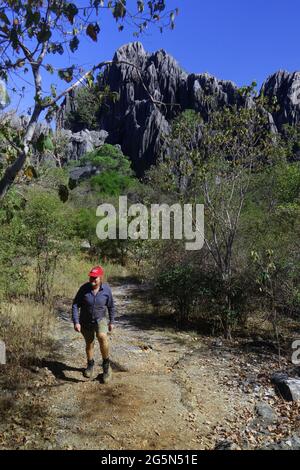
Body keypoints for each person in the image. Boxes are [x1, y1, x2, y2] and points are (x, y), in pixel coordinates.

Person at [72, 265, 115, 383]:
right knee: (89, 344)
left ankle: (106, 367)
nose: (93, 279)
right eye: (91, 277)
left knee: (102, 337)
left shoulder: (106, 290)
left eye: (95, 277)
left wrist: (112, 321)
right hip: (85, 321)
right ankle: (90, 364)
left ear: (100, 278)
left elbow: (111, 306)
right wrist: (76, 322)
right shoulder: (84, 289)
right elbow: (75, 305)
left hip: (100, 319)